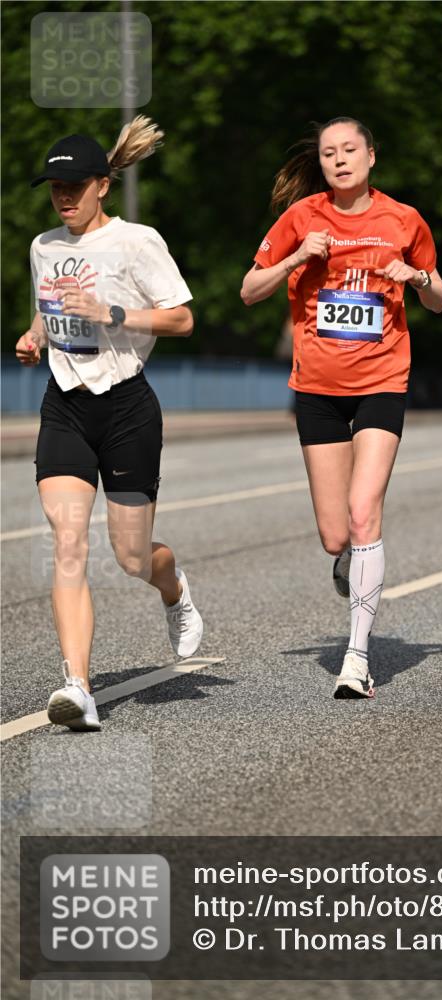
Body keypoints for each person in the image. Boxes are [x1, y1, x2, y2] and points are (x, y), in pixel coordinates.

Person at [241, 116, 442, 699]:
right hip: (318, 389)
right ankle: (351, 561)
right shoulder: (301, 218)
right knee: (336, 536)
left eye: (349, 149)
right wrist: (295, 257)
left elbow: (438, 299)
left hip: (383, 378)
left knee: (364, 512)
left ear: (371, 156)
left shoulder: (403, 220)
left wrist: (417, 275)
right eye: (329, 153)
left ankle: (356, 657)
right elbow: (249, 290)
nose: (339, 159)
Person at [15, 116, 203, 732]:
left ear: (102, 185)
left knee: (130, 557)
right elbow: (50, 310)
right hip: (65, 403)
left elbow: (181, 321)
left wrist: (112, 311)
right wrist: (35, 336)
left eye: (74, 186)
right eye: (54, 188)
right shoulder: (45, 247)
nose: (63, 197)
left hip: (126, 408)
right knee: (68, 541)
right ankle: (78, 686)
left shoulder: (136, 241)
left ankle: (173, 587)